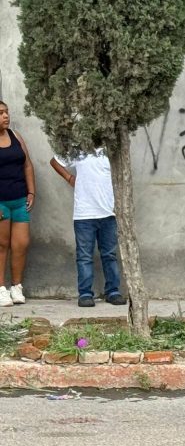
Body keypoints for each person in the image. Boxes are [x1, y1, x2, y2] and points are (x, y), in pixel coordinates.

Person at [50, 148, 127, 307]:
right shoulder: (78, 147)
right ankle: (85, 294)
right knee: (84, 256)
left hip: (108, 213)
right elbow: (55, 161)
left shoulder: (110, 149)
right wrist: (69, 177)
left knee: (110, 254)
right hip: (84, 214)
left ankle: (113, 291)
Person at [0, 101, 35, 307]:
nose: (6, 116)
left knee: (21, 244)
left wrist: (31, 191)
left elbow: (27, 165)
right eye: (1, 113)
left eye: (7, 112)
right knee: (2, 245)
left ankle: (16, 287)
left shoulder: (16, 137)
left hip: (19, 200)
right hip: (0, 202)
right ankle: (1, 289)